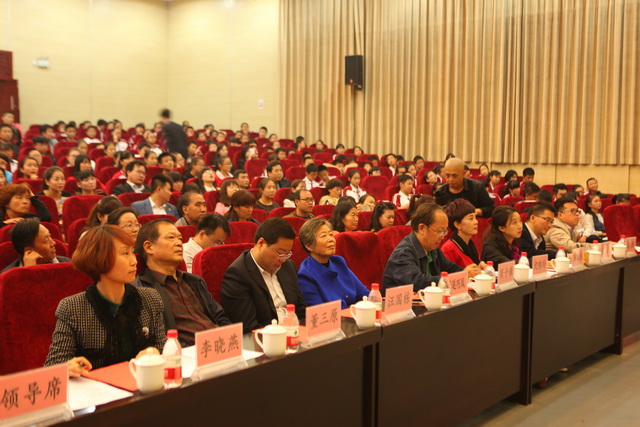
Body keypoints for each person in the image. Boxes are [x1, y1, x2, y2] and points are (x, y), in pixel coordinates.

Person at [45, 225, 166, 375]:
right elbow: (53, 366)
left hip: (143, 384)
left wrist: (154, 352)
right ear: (100, 258)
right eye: (125, 253)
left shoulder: (150, 298)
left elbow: (164, 349)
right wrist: (68, 367)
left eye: (132, 252)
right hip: (95, 387)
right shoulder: (72, 308)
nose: (134, 261)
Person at [134, 219, 231, 346]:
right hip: (185, 353)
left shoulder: (195, 281)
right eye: (171, 238)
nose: (179, 243)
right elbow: (156, 339)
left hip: (220, 346)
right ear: (149, 247)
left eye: (180, 238)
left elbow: (220, 317)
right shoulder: (143, 290)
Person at [221, 218, 307, 333]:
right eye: (280, 253)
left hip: (296, 332)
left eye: (287, 254)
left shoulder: (288, 266)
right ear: (261, 243)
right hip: (269, 338)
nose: (283, 259)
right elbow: (248, 328)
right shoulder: (237, 275)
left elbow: (301, 310)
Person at [382, 203, 481, 292]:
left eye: (445, 231)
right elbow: (417, 282)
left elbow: (451, 269)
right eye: (440, 231)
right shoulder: (403, 253)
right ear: (422, 228)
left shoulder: (433, 249)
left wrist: (471, 271)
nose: (443, 236)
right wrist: (459, 277)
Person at [297, 218, 369, 309]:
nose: (331, 239)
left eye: (331, 234)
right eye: (323, 236)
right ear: (308, 246)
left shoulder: (338, 262)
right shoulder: (306, 276)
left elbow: (364, 294)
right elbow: (321, 312)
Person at [2, 218, 70, 271]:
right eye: (46, 240)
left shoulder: (68, 264)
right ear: (29, 251)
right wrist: (29, 271)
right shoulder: (9, 278)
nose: (53, 243)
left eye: (50, 236)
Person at [441, 199, 485, 268]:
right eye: (471, 218)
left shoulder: (470, 243)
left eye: (475, 217)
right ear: (457, 224)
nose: (476, 222)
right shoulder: (448, 249)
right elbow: (448, 274)